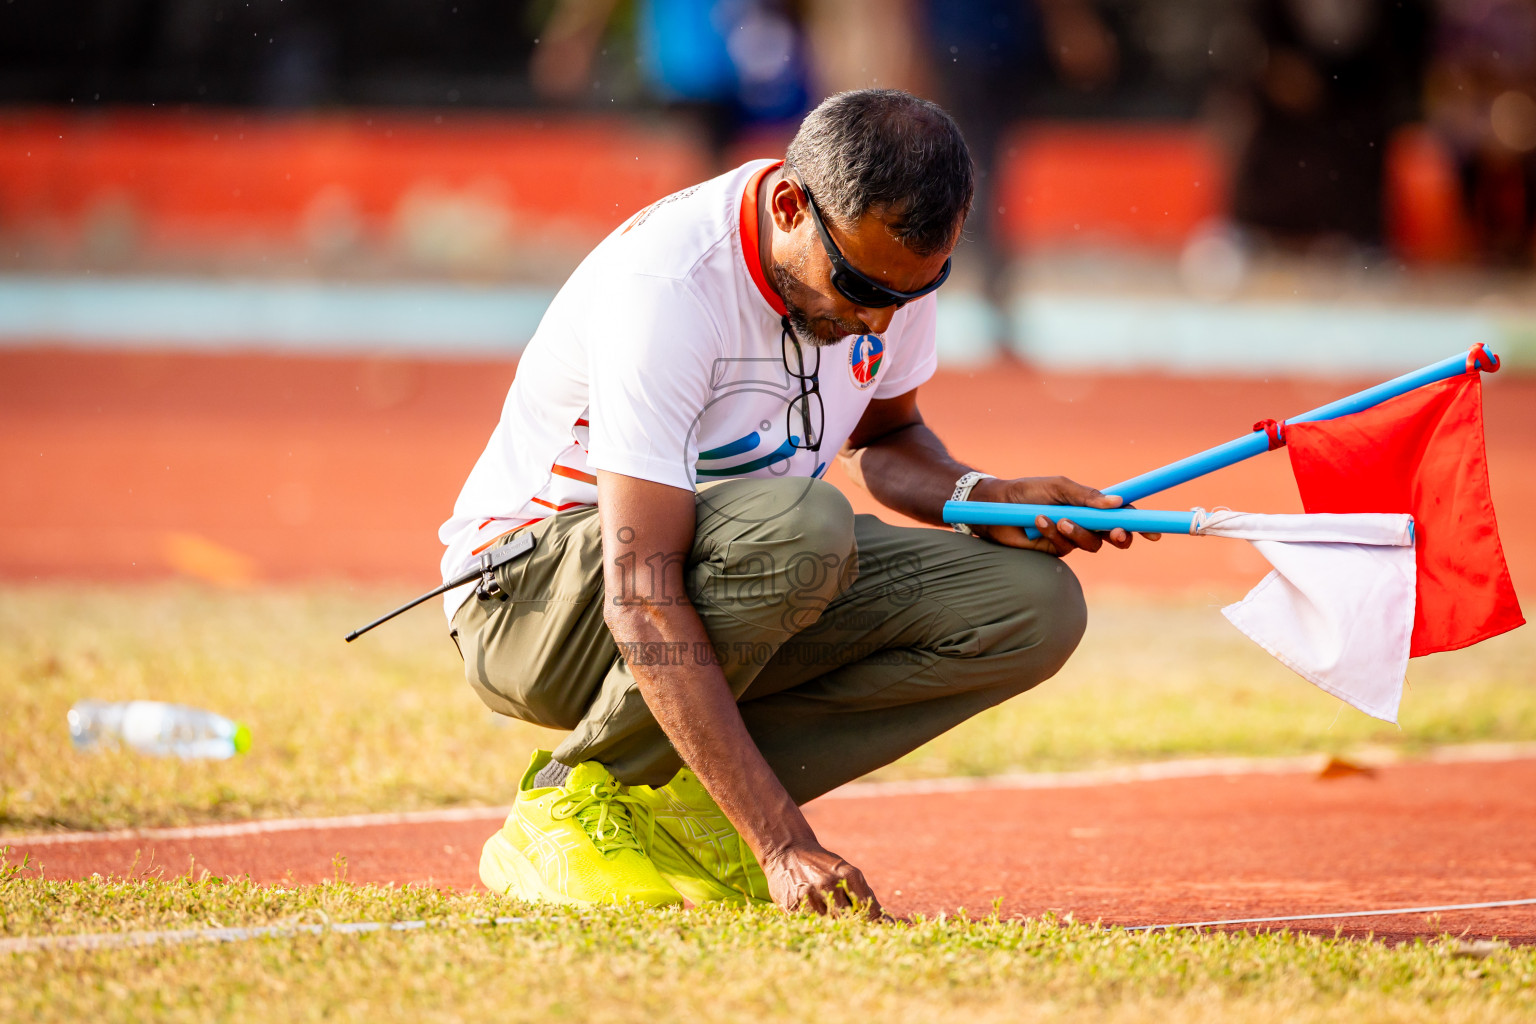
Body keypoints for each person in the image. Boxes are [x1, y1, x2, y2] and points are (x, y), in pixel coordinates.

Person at [440, 89, 1146, 917]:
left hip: (733, 579)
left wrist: (983, 496)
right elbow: (644, 590)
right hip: (526, 604)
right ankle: (575, 797)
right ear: (788, 204)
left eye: (911, 293)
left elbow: (885, 442)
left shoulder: (888, 268)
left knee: (1030, 606)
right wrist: (781, 840)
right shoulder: (668, 286)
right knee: (801, 526)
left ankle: (692, 816)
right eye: (855, 285)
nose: (875, 317)